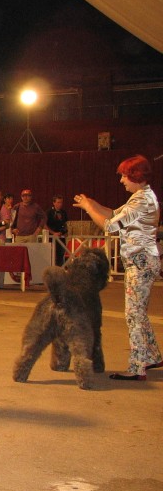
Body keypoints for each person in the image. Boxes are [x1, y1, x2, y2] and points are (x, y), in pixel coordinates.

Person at [73, 155, 161, 381]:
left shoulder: (141, 201)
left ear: (136, 176)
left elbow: (109, 225)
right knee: (138, 313)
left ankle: (137, 367)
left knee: (133, 314)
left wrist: (88, 209)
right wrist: (91, 203)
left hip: (139, 263)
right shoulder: (140, 198)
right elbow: (113, 213)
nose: (121, 180)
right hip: (143, 261)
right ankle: (151, 355)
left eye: (124, 175)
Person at [46, 195, 69, 267]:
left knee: (61, 255)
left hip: (61, 237)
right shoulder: (49, 212)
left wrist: (64, 232)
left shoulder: (64, 212)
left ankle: (60, 270)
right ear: (54, 203)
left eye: (61, 202)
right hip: (51, 237)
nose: (60, 204)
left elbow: (65, 224)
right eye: (58, 202)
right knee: (51, 255)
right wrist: (53, 233)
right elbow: (44, 225)